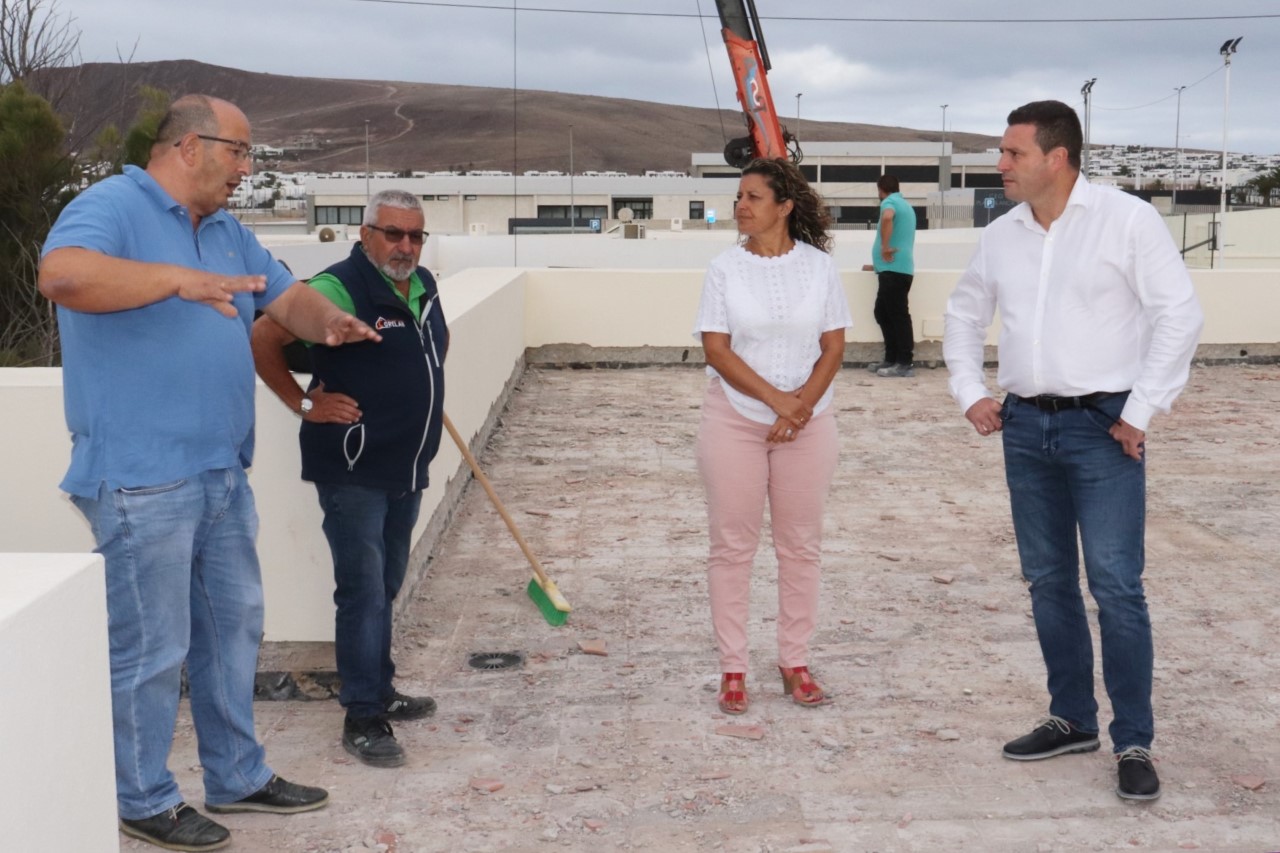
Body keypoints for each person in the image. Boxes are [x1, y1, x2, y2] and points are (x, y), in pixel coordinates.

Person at [38, 94, 382, 852]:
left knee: (233, 632)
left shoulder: (226, 231)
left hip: (221, 474)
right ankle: (143, 796)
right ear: (189, 146)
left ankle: (237, 774)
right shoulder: (112, 205)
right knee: (151, 648)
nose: (246, 168)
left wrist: (327, 323)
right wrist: (173, 280)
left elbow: (282, 295)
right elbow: (60, 276)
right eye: (238, 151)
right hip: (139, 479)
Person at [942, 100, 1203, 801]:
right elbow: (964, 314)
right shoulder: (1002, 235)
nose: (1000, 164)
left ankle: (1135, 739)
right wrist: (971, 389)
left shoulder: (1125, 220)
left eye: (1012, 153)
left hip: (1103, 427)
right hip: (1025, 427)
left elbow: (1178, 313)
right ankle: (1073, 717)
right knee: (1047, 579)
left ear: (1057, 157)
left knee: (1116, 585)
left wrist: (1141, 409)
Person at [252, 189, 448, 769]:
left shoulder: (423, 285)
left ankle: (379, 687)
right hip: (354, 468)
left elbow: (432, 343)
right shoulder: (339, 286)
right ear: (365, 235)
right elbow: (264, 336)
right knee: (362, 591)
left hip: (407, 466)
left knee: (384, 583)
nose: (406, 246)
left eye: (415, 236)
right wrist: (304, 406)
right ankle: (363, 716)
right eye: (394, 234)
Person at [692, 157, 852, 716]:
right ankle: (733, 669)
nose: (741, 206)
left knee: (801, 547)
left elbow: (833, 346)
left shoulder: (819, 268)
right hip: (734, 420)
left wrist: (801, 406)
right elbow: (717, 350)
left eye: (754, 197)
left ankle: (795, 661)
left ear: (784, 207)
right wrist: (778, 400)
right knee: (732, 548)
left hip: (809, 424)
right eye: (739, 196)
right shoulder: (724, 269)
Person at [865, 174, 917, 378]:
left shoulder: (890, 202)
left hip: (894, 269)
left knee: (898, 315)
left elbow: (887, 217)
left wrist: (884, 248)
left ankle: (904, 363)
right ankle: (892, 358)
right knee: (883, 313)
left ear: (880, 189)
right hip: (894, 269)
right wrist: (876, 263)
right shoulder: (906, 205)